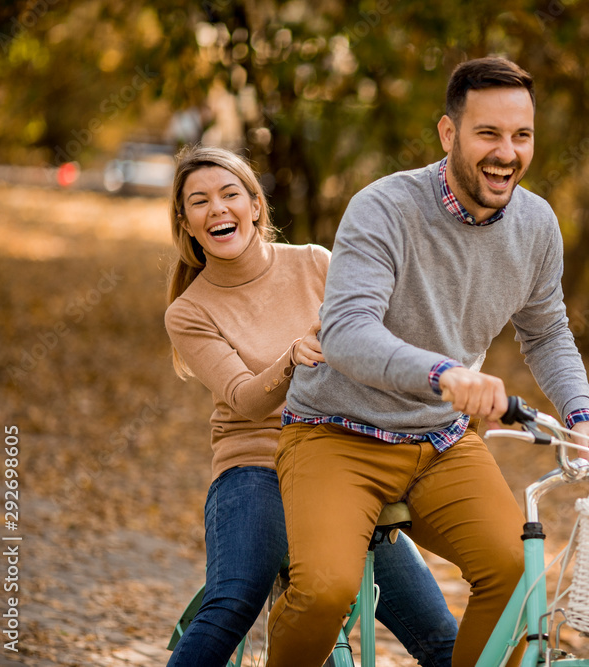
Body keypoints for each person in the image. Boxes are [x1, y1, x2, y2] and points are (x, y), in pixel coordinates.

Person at [266, 57, 589, 667]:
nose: (507, 153)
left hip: (441, 441)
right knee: (324, 592)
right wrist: (443, 373)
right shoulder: (385, 207)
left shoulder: (537, 225)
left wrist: (581, 415)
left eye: (521, 135)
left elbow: (547, 330)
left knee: (515, 574)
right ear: (449, 133)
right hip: (335, 433)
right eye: (488, 134)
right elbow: (345, 331)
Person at [162, 146, 458, 667]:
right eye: (200, 202)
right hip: (255, 468)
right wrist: (293, 356)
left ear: (255, 205)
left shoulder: (316, 263)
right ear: (186, 222)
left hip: (341, 463)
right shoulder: (189, 311)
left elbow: (380, 346)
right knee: (230, 603)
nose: (218, 210)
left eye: (231, 194)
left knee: (443, 639)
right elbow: (245, 400)